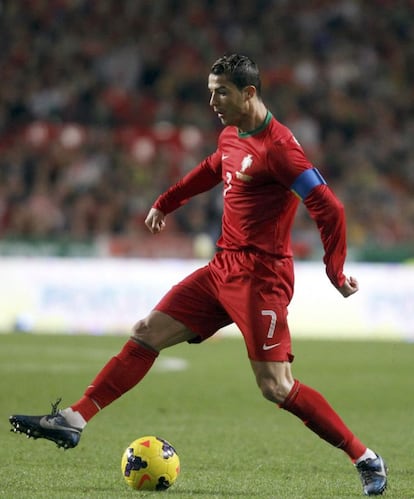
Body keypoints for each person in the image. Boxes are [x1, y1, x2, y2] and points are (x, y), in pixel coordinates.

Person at [9, 54, 387, 496]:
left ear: (249, 93)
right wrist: (166, 201)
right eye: (210, 91)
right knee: (146, 331)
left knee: (276, 387)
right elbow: (212, 169)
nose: (212, 101)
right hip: (221, 267)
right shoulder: (232, 134)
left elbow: (328, 206)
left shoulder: (280, 149)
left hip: (261, 279)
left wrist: (335, 270)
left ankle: (365, 457)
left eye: (220, 92)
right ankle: (74, 419)